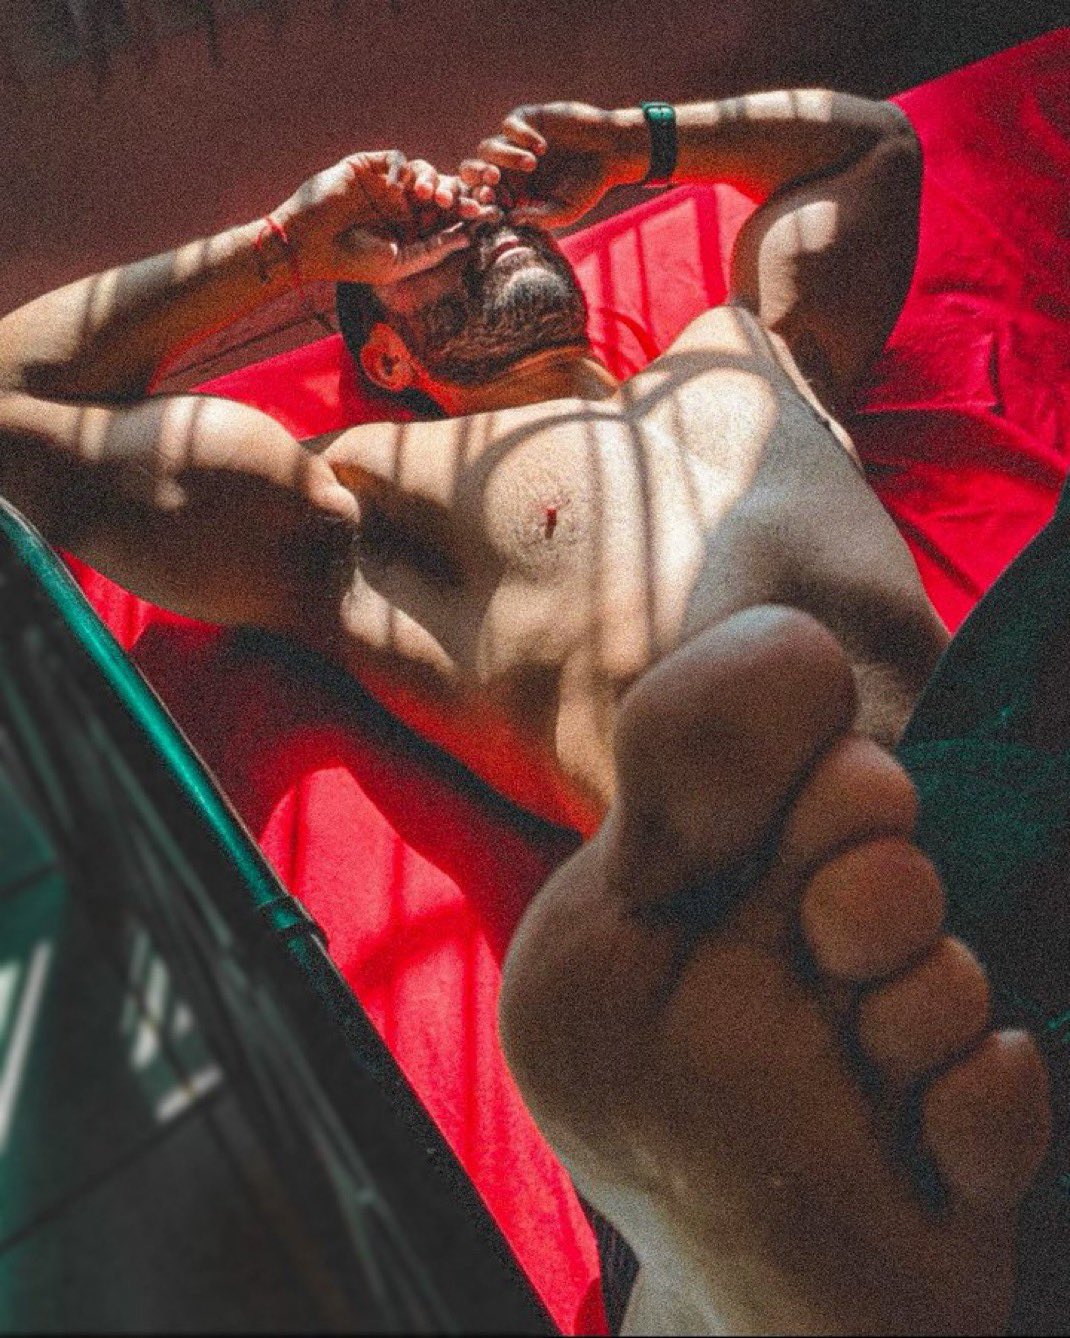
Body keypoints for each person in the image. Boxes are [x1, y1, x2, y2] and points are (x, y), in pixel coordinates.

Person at [0, 92, 1052, 1333]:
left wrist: (638, 142)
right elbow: (15, 406)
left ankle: (745, 1266)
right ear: (386, 360)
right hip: (765, 907)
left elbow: (870, 145)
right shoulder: (359, 499)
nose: (479, 220)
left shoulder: (749, 345)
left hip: (989, 781)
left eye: (495, 211)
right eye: (426, 239)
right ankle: (743, 1211)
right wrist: (287, 246)